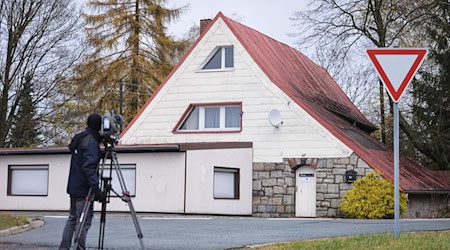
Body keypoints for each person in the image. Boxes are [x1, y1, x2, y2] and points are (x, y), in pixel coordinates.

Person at [59, 113, 106, 250]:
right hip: (83, 190)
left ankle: (64, 247)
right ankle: (79, 248)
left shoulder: (81, 138)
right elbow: (89, 167)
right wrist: (96, 188)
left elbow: (84, 161)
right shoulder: (91, 142)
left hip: (74, 187)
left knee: (72, 219)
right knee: (82, 222)